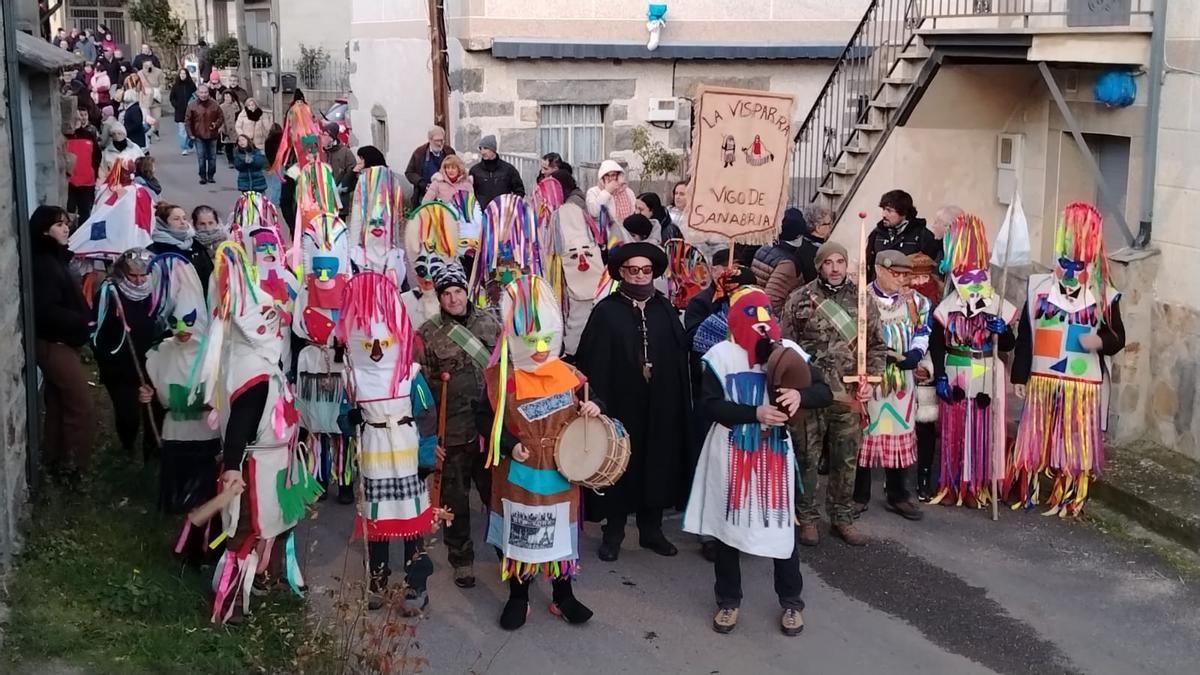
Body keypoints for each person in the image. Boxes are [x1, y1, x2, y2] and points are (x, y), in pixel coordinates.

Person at [685, 287, 832, 636]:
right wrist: (755, 413)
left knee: (780, 528)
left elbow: (824, 392)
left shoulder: (789, 351)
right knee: (728, 528)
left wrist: (800, 394)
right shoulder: (720, 356)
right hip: (730, 452)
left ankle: (791, 602)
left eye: (766, 314)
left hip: (774, 454)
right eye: (752, 315)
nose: (761, 323)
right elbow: (710, 406)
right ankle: (728, 601)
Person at [473, 275, 598, 630]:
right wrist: (510, 446)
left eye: (547, 339)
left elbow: (594, 400)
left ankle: (563, 595)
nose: (541, 348)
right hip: (519, 472)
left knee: (561, 532)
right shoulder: (501, 378)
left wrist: (595, 407)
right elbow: (483, 419)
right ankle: (518, 596)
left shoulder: (569, 374)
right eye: (532, 341)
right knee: (520, 533)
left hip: (560, 470)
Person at [199, 242, 311, 624]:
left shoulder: (257, 362)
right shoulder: (255, 373)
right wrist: (232, 467)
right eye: (270, 318)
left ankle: (268, 579)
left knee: (276, 525)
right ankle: (228, 605)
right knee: (246, 532)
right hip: (254, 467)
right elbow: (241, 423)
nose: (278, 325)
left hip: (274, 462)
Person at [576, 242, 692, 561]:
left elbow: (678, 356)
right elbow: (592, 360)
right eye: (633, 270)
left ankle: (651, 530)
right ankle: (613, 533)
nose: (640, 276)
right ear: (622, 273)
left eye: (646, 270)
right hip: (620, 402)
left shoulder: (664, 309)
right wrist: (597, 400)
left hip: (660, 404)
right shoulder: (606, 312)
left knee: (656, 463)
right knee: (618, 466)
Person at [1010, 202, 1125, 516]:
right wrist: (1019, 375)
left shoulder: (1104, 295)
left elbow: (1117, 339)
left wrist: (1098, 341)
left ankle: (1071, 495)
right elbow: (1026, 334)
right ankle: (1030, 489)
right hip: (1042, 380)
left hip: (1081, 386)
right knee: (1036, 437)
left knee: (1074, 441)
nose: (1071, 273)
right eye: (1065, 263)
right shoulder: (1038, 288)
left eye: (1078, 265)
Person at [339, 272, 437, 614]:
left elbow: (426, 414)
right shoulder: (355, 378)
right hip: (374, 451)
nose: (378, 352)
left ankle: (416, 584)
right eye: (370, 346)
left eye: (383, 343)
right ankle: (378, 580)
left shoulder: (410, 375)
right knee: (377, 522)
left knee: (411, 522)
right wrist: (349, 419)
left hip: (406, 451)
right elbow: (343, 417)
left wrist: (427, 456)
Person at [782, 241, 884, 546]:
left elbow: (877, 346)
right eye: (829, 262)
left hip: (848, 392)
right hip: (810, 394)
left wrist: (871, 380)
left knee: (845, 460)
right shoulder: (799, 298)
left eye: (840, 261)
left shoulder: (863, 300)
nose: (835, 268)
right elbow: (786, 347)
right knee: (807, 458)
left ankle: (842, 517)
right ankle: (807, 518)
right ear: (819, 265)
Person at [416, 263, 500, 588]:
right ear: (439, 297)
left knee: (496, 496)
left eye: (457, 291)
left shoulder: (490, 322)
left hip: (489, 430)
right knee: (455, 499)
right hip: (450, 431)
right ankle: (461, 559)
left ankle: (508, 552)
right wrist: (427, 439)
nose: (453, 299)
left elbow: (506, 370)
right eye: (446, 294)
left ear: (467, 291)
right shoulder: (427, 333)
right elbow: (420, 392)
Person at [928, 214, 1016, 507]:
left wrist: (1001, 331)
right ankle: (953, 484)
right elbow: (937, 343)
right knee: (955, 430)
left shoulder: (996, 305)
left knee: (982, 429)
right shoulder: (947, 307)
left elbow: (1009, 344)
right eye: (964, 275)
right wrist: (940, 375)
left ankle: (978, 485)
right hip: (956, 370)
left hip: (987, 370)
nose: (972, 282)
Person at [144, 253, 221, 560]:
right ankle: (183, 546)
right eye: (175, 323)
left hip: (205, 437)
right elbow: (155, 390)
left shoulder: (213, 355)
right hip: (176, 436)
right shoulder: (160, 353)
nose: (182, 329)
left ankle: (201, 548)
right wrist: (148, 396)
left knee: (205, 495)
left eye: (188, 321)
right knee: (181, 497)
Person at [851, 250, 930, 520]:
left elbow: (923, 330)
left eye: (905, 275)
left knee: (898, 430)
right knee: (865, 433)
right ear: (878, 270)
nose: (901, 280)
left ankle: (898, 494)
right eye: (895, 274)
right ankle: (858, 495)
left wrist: (916, 353)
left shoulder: (916, 301)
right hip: (870, 378)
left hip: (901, 380)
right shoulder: (861, 299)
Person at [31, 206, 96, 483]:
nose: (66, 228)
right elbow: (46, 310)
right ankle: (74, 467)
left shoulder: (55, 258)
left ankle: (53, 460)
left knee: (58, 403)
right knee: (81, 405)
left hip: (61, 341)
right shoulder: (45, 264)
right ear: (44, 230)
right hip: (53, 343)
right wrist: (82, 321)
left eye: (66, 223)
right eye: (58, 224)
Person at [91, 248, 164, 461]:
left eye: (144, 275)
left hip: (149, 362)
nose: (139, 281)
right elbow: (97, 331)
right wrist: (108, 357)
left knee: (154, 409)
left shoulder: (154, 290)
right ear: (123, 272)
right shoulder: (109, 292)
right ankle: (127, 448)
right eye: (133, 276)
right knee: (128, 415)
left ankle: (152, 453)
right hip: (119, 367)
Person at [907, 252, 943, 501]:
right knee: (899, 426)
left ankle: (924, 478)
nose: (920, 282)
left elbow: (939, 342)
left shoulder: (938, 303)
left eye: (924, 276)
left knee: (926, 428)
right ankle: (895, 478)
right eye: (915, 276)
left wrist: (930, 369)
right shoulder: (902, 300)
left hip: (927, 370)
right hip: (902, 368)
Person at [865, 189, 941, 282]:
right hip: (881, 288)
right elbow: (869, 264)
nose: (884, 214)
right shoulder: (877, 234)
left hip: (910, 288)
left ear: (903, 212)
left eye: (889, 210)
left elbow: (933, 267)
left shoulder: (922, 235)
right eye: (883, 209)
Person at [751, 208, 808, 315]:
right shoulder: (787, 264)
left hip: (754, 307)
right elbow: (772, 301)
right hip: (770, 317)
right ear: (797, 236)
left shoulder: (764, 248)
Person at [148, 202, 215, 289]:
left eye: (184, 218)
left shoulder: (196, 245)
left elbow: (209, 275)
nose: (182, 222)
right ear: (163, 223)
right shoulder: (155, 250)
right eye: (176, 219)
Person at [586, 160, 637, 244]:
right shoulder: (594, 192)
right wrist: (607, 192)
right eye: (607, 176)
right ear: (602, 177)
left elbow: (634, 212)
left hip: (628, 236)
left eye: (613, 175)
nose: (610, 178)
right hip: (606, 239)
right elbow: (594, 212)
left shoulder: (628, 191)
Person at [65, 111, 102, 223]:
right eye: (75, 119)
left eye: (78, 119)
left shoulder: (89, 135)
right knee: (69, 212)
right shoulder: (65, 137)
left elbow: (97, 156)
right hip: (70, 182)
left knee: (85, 212)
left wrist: (93, 172)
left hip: (87, 180)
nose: (77, 121)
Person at [405, 125, 455, 207]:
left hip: (446, 198)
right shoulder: (419, 153)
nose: (440, 143)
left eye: (442, 140)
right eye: (437, 140)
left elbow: (457, 169)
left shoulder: (449, 152)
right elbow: (409, 173)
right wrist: (422, 184)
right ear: (430, 139)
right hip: (423, 196)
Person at [469, 135, 524, 209]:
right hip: (482, 212)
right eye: (480, 149)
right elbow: (469, 194)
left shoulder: (508, 169)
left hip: (502, 212)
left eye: (485, 148)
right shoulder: (475, 171)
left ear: (493, 149)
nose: (482, 152)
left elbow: (519, 191)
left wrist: (511, 206)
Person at [185, 84, 223, 184]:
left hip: (212, 135)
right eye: (201, 92)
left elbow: (221, 117)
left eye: (205, 92)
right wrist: (190, 134)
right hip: (198, 135)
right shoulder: (192, 105)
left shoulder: (215, 104)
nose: (203, 94)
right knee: (201, 157)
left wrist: (216, 124)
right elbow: (188, 121)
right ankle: (202, 176)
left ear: (208, 93)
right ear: (198, 93)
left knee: (212, 157)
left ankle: (211, 175)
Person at [322, 122, 357, 216]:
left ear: (332, 137)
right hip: (323, 200)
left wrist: (343, 187)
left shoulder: (345, 152)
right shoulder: (321, 153)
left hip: (340, 200)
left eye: (325, 135)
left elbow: (353, 171)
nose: (322, 137)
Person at [797, 204, 834, 285]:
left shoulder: (801, 243)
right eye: (828, 224)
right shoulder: (816, 252)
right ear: (818, 228)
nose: (831, 227)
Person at [169, 68, 196, 156]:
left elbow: (196, 96)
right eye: (181, 74)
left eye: (184, 74)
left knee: (191, 129)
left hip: (191, 111)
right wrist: (176, 105)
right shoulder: (176, 86)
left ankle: (190, 143)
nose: (182, 75)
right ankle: (184, 148)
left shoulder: (191, 85)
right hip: (180, 112)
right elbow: (172, 98)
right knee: (182, 131)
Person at [219, 90, 242, 167]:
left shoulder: (238, 106)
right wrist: (222, 128)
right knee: (228, 146)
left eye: (229, 96)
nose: (227, 98)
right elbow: (219, 118)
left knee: (238, 145)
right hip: (226, 128)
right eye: (225, 96)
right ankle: (230, 161)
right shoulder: (221, 107)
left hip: (236, 128)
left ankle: (238, 160)